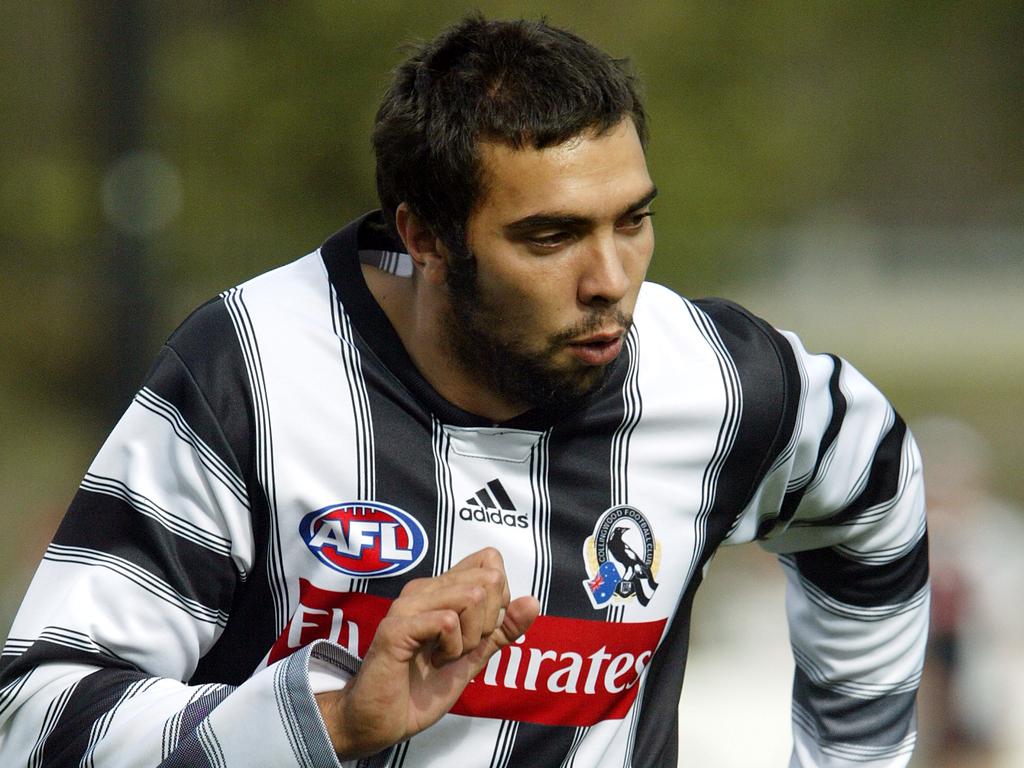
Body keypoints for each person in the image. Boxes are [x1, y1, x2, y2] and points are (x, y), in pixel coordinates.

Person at [0, 14, 928, 767]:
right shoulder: (251, 371)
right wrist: (326, 722)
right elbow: (36, 719)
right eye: (551, 236)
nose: (613, 277)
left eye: (634, 219)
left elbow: (877, 490)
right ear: (428, 237)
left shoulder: (722, 380)